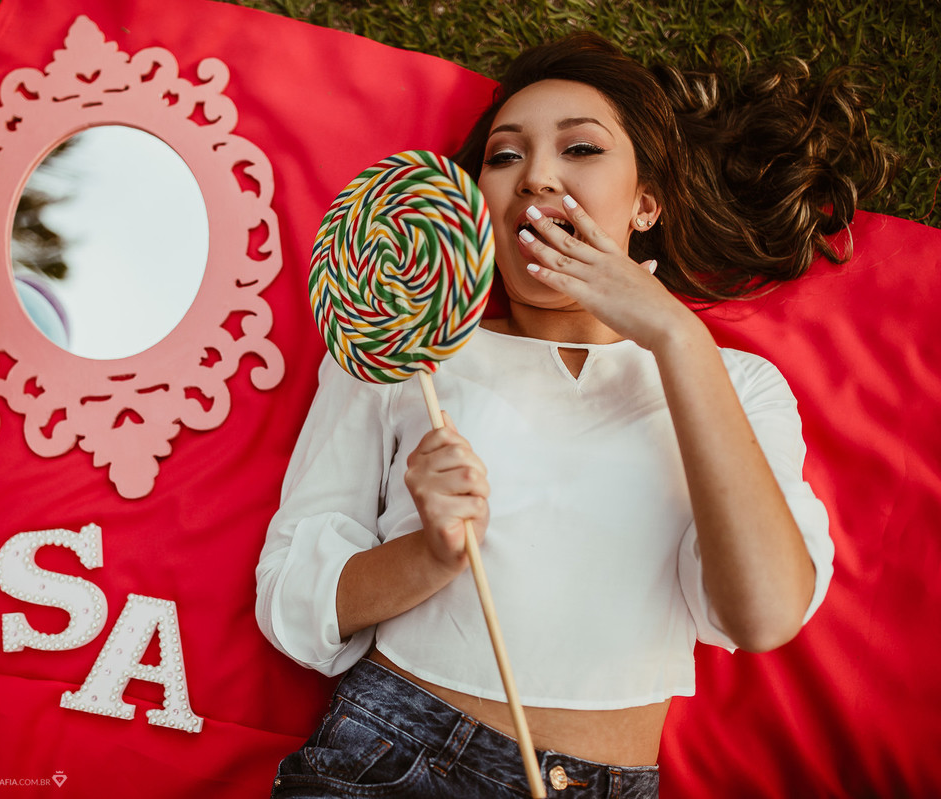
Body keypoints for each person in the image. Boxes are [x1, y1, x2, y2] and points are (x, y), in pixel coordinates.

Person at [255, 32, 897, 798]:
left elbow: (761, 615)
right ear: (476, 206)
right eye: (504, 156)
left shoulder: (734, 382)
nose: (535, 176)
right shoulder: (405, 345)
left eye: (581, 148)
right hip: (392, 757)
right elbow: (290, 601)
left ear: (646, 202)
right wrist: (429, 555)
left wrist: (674, 334)